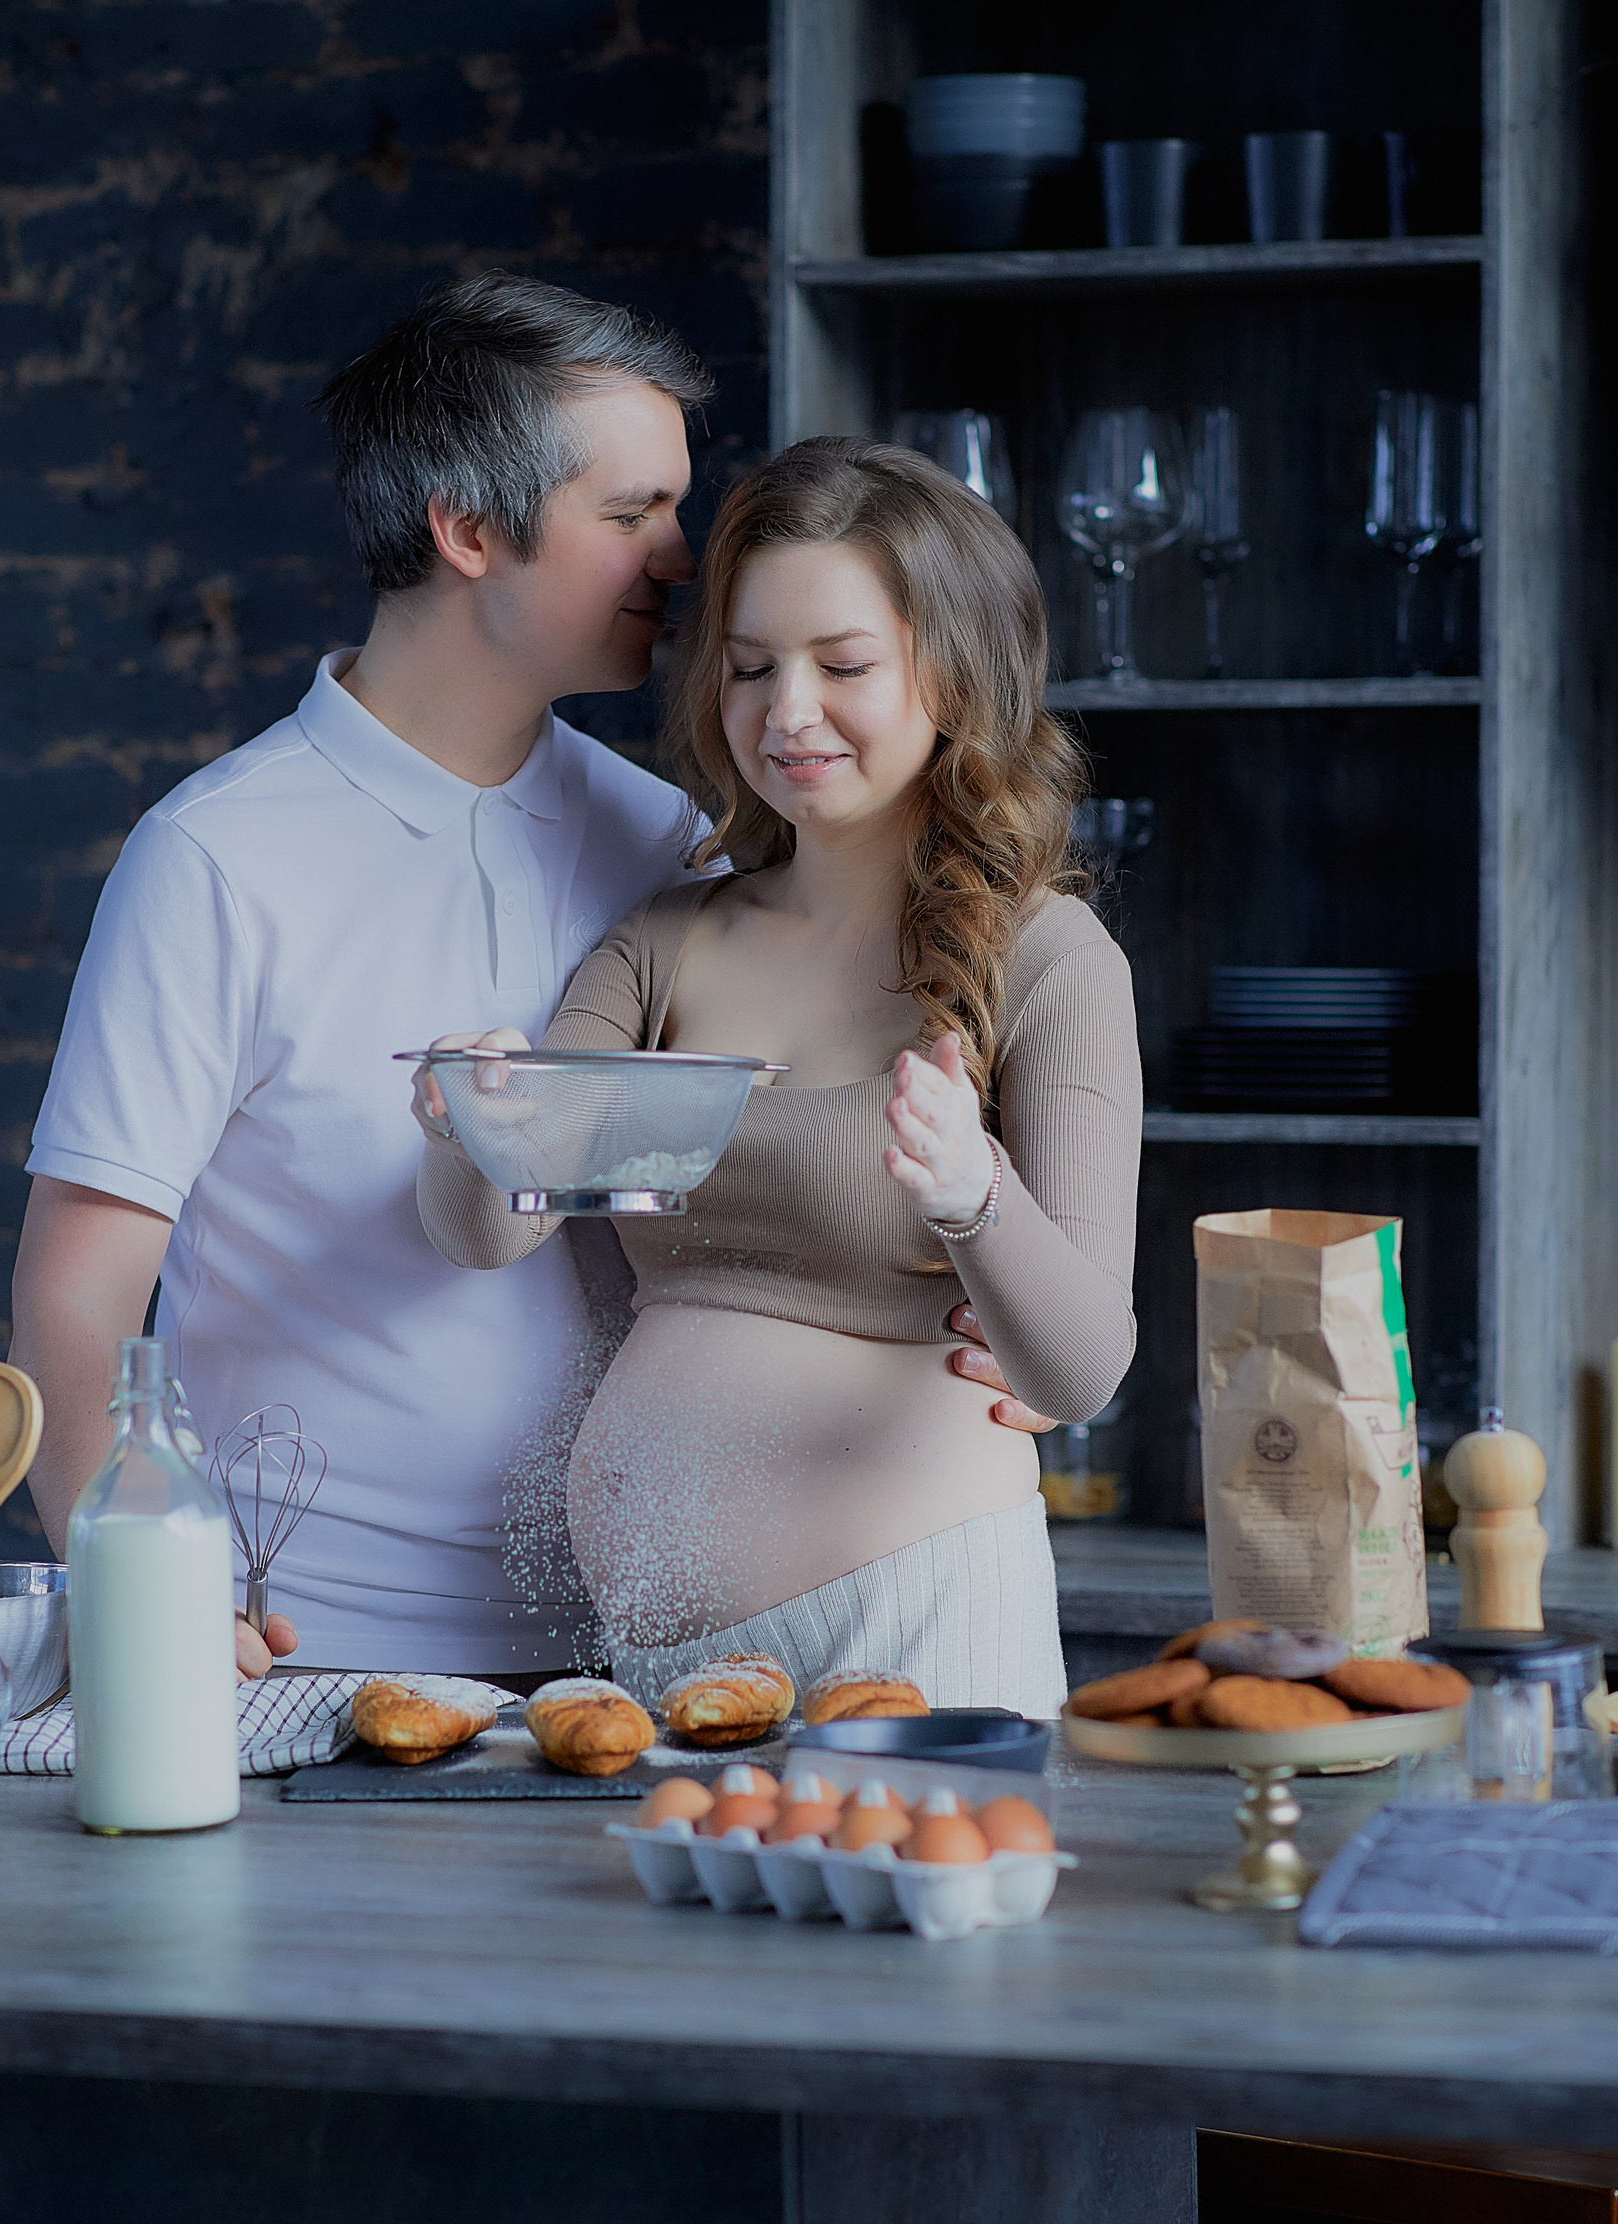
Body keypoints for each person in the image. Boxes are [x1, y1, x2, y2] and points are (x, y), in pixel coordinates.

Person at [12, 279, 1051, 1680]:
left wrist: (1000, 1326)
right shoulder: (216, 858)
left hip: (649, 1655)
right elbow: (78, 1294)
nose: (687, 561)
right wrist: (133, 1570)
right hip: (323, 1652)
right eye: (634, 515)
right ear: (469, 527)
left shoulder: (672, 843)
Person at [414, 437, 1140, 1716]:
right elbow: (487, 1235)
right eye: (750, 668)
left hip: (916, 1616)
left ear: (955, 675)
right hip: (658, 1667)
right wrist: (473, 1123)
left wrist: (974, 1196)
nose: (786, 712)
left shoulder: (1047, 956)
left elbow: (1078, 1371)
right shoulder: (664, 939)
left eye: (843, 665)